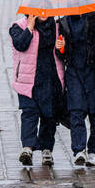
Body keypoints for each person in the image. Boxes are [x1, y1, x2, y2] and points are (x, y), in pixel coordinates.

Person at [57, 11, 95, 167]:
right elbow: (61, 55)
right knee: (76, 111)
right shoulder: (64, 22)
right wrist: (60, 48)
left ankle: (94, 152)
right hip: (74, 72)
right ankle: (79, 150)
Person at [10, 14, 65, 166]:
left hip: (51, 77)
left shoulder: (58, 25)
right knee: (29, 113)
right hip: (28, 79)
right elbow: (20, 45)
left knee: (49, 116)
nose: (43, 13)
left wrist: (62, 47)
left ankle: (46, 150)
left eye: (46, 9)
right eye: (39, 9)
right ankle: (27, 148)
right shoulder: (19, 26)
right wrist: (30, 27)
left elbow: (65, 53)